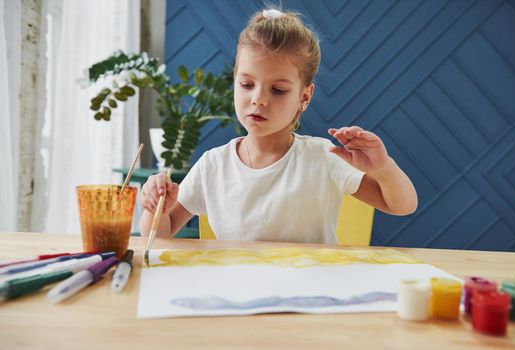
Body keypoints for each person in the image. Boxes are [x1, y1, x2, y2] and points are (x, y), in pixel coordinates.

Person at [140, 7, 417, 243]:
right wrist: (156, 207)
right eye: (247, 85)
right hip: (240, 299)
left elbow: (402, 206)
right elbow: (159, 237)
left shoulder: (323, 158)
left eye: (278, 90)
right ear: (234, 82)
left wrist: (383, 168)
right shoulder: (212, 166)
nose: (258, 99)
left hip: (311, 298)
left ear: (304, 97)